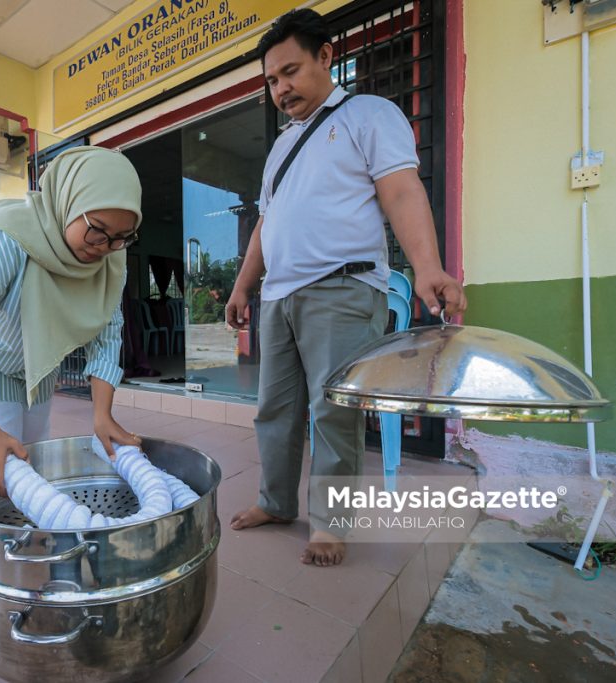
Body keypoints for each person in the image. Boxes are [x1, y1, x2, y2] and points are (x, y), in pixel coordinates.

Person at [226, 9, 467, 566]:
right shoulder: (281, 147)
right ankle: (276, 502)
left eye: (290, 72)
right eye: (272, 80)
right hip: (278, 297)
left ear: (326, 56)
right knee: (274, 409)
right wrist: (242, 287)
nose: (281, 89)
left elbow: (401, 191)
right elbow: (266, 222)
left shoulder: (368, 115)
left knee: (333, 411)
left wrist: (428, 267)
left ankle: (331, 524)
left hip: (342, 289)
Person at [0, 146, 143, 495]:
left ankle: (29, 529)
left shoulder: (112, 261)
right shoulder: (7, 238)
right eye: (97, 229)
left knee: (33, 462)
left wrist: (103, 415)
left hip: (38, 366)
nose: (104, 246)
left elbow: (107, 330)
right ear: (67, 203)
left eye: (122, 237)